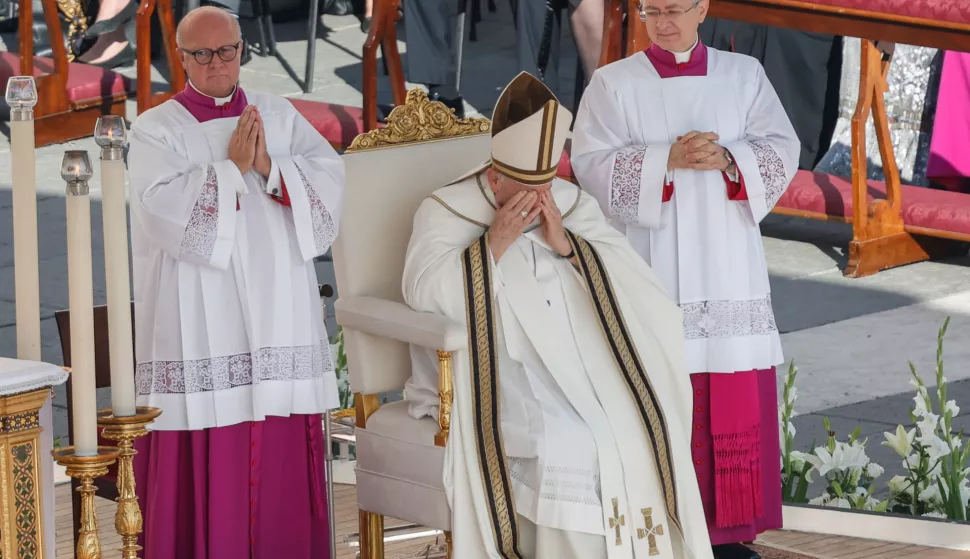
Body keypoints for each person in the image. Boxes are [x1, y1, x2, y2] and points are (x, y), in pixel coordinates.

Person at [403, 71, 714, 559]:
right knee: (572, 441)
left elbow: (635, 282)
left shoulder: (566, 204)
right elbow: (422, 293)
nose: (538, 201)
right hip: (505, 371)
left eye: (545, 186)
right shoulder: (445, 211)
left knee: (646, 421)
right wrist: (495, 244)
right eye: (524, 189)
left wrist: (568, 246)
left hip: (588, 368)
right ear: (494, 176)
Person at [570, 1, 800, 558]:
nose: (664, 22)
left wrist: (728, 158)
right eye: (652, 11)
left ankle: (728, 536)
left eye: (675, 9)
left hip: (727, 266)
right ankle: (661, 531)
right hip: (654, 267)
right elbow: (590, 163)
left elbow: (782, 149)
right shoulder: (613, 83)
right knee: (657, 388)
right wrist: (662, 161)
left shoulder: (743, 76)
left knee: (729, 391)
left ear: (702, 9)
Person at [128, 6, 344, 558]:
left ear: (243, 49)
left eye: (227, 51)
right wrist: (229, 169)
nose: (218, 64)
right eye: (202, 54)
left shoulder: (279, 113)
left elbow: (328, 192)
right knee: (209, 447)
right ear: (181, 58)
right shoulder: (157, 129)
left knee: (280, 453)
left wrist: (270, 165)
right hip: (203, 320)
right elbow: (163, 216)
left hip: (278, 310)